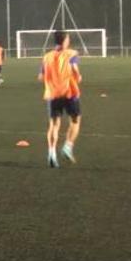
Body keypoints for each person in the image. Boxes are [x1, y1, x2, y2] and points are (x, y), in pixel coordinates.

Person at [39, 30, 82, 167]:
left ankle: (51, 152)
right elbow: (75, 70)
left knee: (54, 124)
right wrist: (77, 76)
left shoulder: (47, 57)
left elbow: (40, 76)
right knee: (75, 121)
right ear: (65, 40)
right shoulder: (71, 54)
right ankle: (67, 147)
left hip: (53, 94)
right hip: (69, 92)